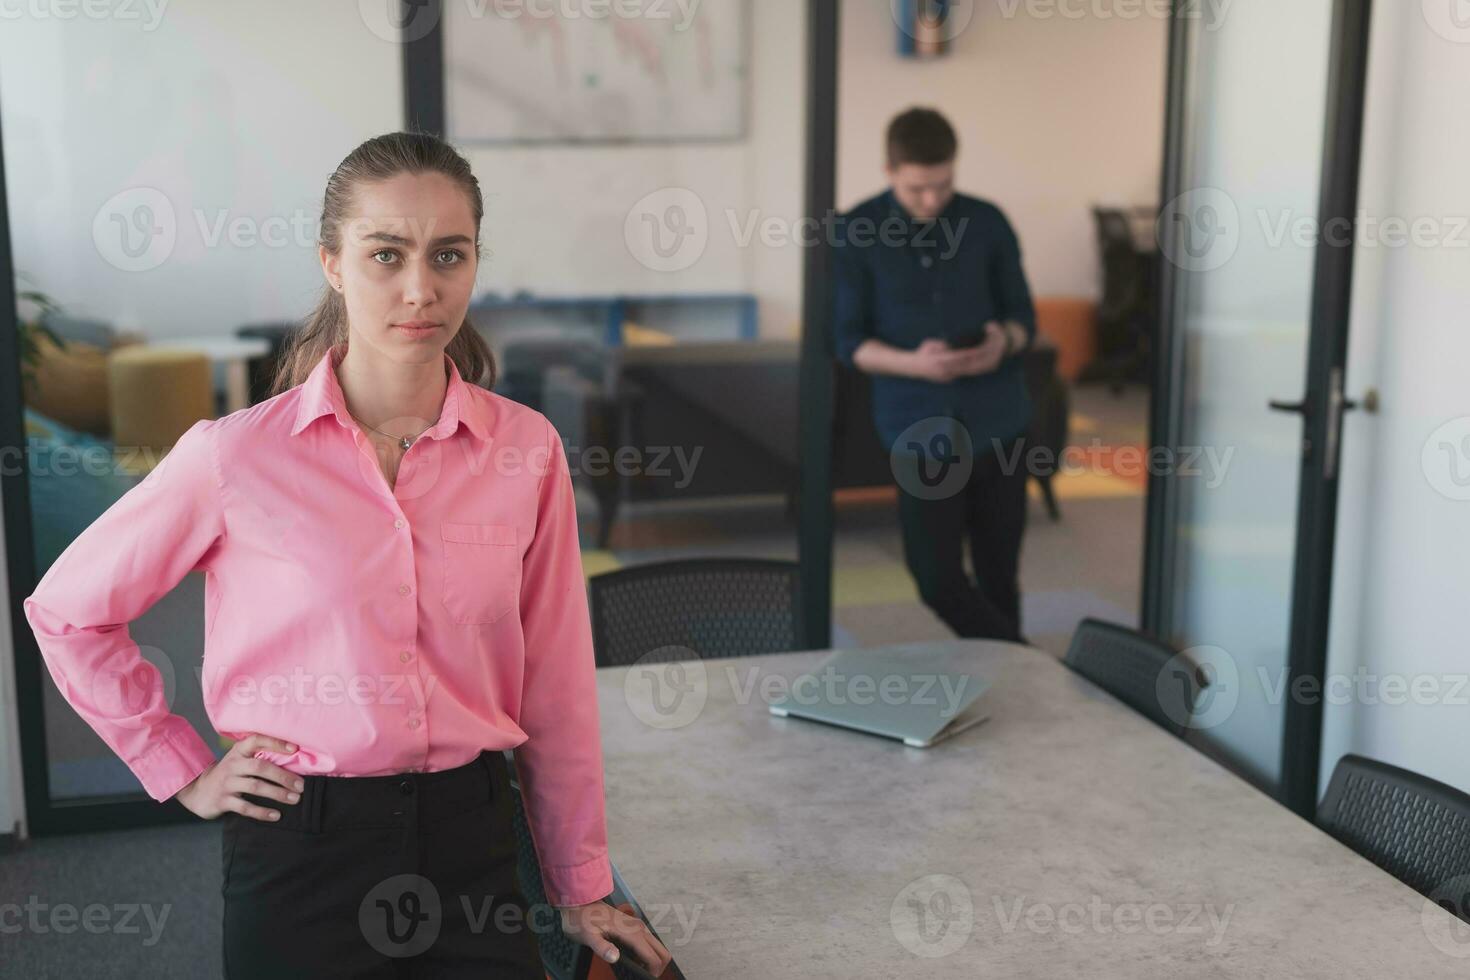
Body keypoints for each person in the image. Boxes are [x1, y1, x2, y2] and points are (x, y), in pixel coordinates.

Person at [22, 131, 672, 979]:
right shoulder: (234, 456)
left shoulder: (527, 451)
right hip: (301, 851)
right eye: (385, 254)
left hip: (472, 844)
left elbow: (555, 685)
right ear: (332, 262)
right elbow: (69, 608)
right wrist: (178, 767)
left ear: (476, 261)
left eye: (448, 255)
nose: (420, 288)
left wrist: (580, 881)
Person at [833, 107, 1037, 643]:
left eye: (943, 185)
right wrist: (914, 365)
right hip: (917, 427)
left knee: (1000, 577)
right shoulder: (855, 231)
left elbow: (1023, 316)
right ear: (889, 170)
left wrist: (1003, 343)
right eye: (918, 188)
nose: (932, 200)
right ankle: (1032, 665)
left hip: (999, 420)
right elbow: (848, 342)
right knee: (935, 579)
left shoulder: (988, 221)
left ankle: (1016, 690)